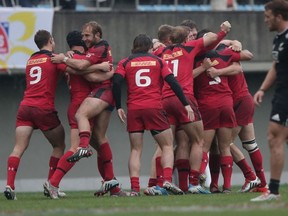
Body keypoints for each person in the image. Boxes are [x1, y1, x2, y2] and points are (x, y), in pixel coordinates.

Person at [43, 30, 126, 199]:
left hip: (82, 104)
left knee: (101, 143)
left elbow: (79, 69)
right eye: (85, 38)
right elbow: (87, 73)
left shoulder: (71, 57)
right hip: (84, 105)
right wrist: (106, 69)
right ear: (82, 41)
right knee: (79, 147)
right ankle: (53, 183)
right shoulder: (79, 58)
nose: (88, 41)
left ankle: (112, 186)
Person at [112, 33, 194, 196]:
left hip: (134, 109)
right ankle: (168, 181)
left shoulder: (125, 62)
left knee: (135, 149)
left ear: (133, 47)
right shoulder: (158, 61)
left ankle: (135, 189)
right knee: (167, 146)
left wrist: (118, 106)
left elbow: (116, 82)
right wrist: (186, 104)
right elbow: (173, 82)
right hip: (155, 107)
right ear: (150, 47)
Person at [4, 30, 67, 200]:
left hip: (25, 107)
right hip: (43, 108)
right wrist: (67, 58)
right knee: (59, 145)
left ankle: (9, 185)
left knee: (18, 148)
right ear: (51, 41)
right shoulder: (53, 58)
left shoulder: (31, 60)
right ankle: (51, 184)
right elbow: (71, 69)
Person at [251, 0, 288, 202]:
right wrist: (262, 89)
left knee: (274, 137)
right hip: (280, 92)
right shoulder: (278, 39)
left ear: (278, 16)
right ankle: (273, 191)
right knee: (279, 138)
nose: (265, 21)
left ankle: (273, 191)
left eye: (267, 16)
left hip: (286, 95)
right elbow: (275, 66)